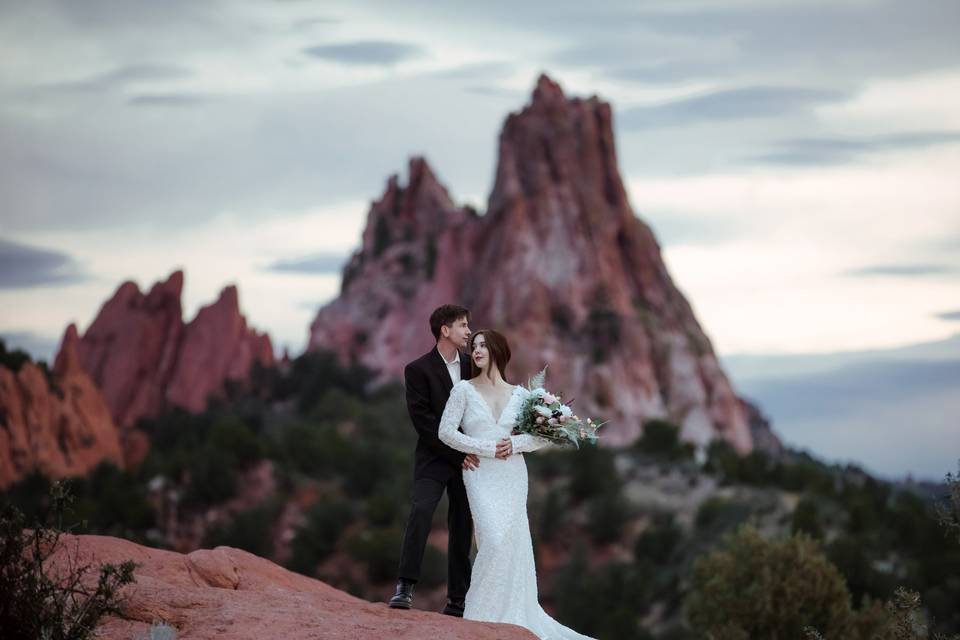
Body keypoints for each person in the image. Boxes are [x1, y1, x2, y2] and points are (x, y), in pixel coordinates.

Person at [437, 329, 596, 639]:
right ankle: (479, 619)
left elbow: (542, 437)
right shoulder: (463, 391)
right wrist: (484, 447)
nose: (477, 350)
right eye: (474, 345)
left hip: (512, 475)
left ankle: (510, 616)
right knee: (492, 540)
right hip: (481, 473)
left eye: (483, 345)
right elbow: (445, 432)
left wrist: (517, 442)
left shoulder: (523, 395)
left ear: (498, 350)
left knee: (511, 541)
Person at [389, 304, 479, 616]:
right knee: (421, 511)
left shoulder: (472, 366)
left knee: (462, 525)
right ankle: (405, 586)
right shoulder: (417, 369)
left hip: (468, 460)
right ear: (445, 329)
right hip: (435, 458)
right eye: (463, 325)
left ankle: (458, 600)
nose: (468, 331)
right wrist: (458, 454)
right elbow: (424, 423)